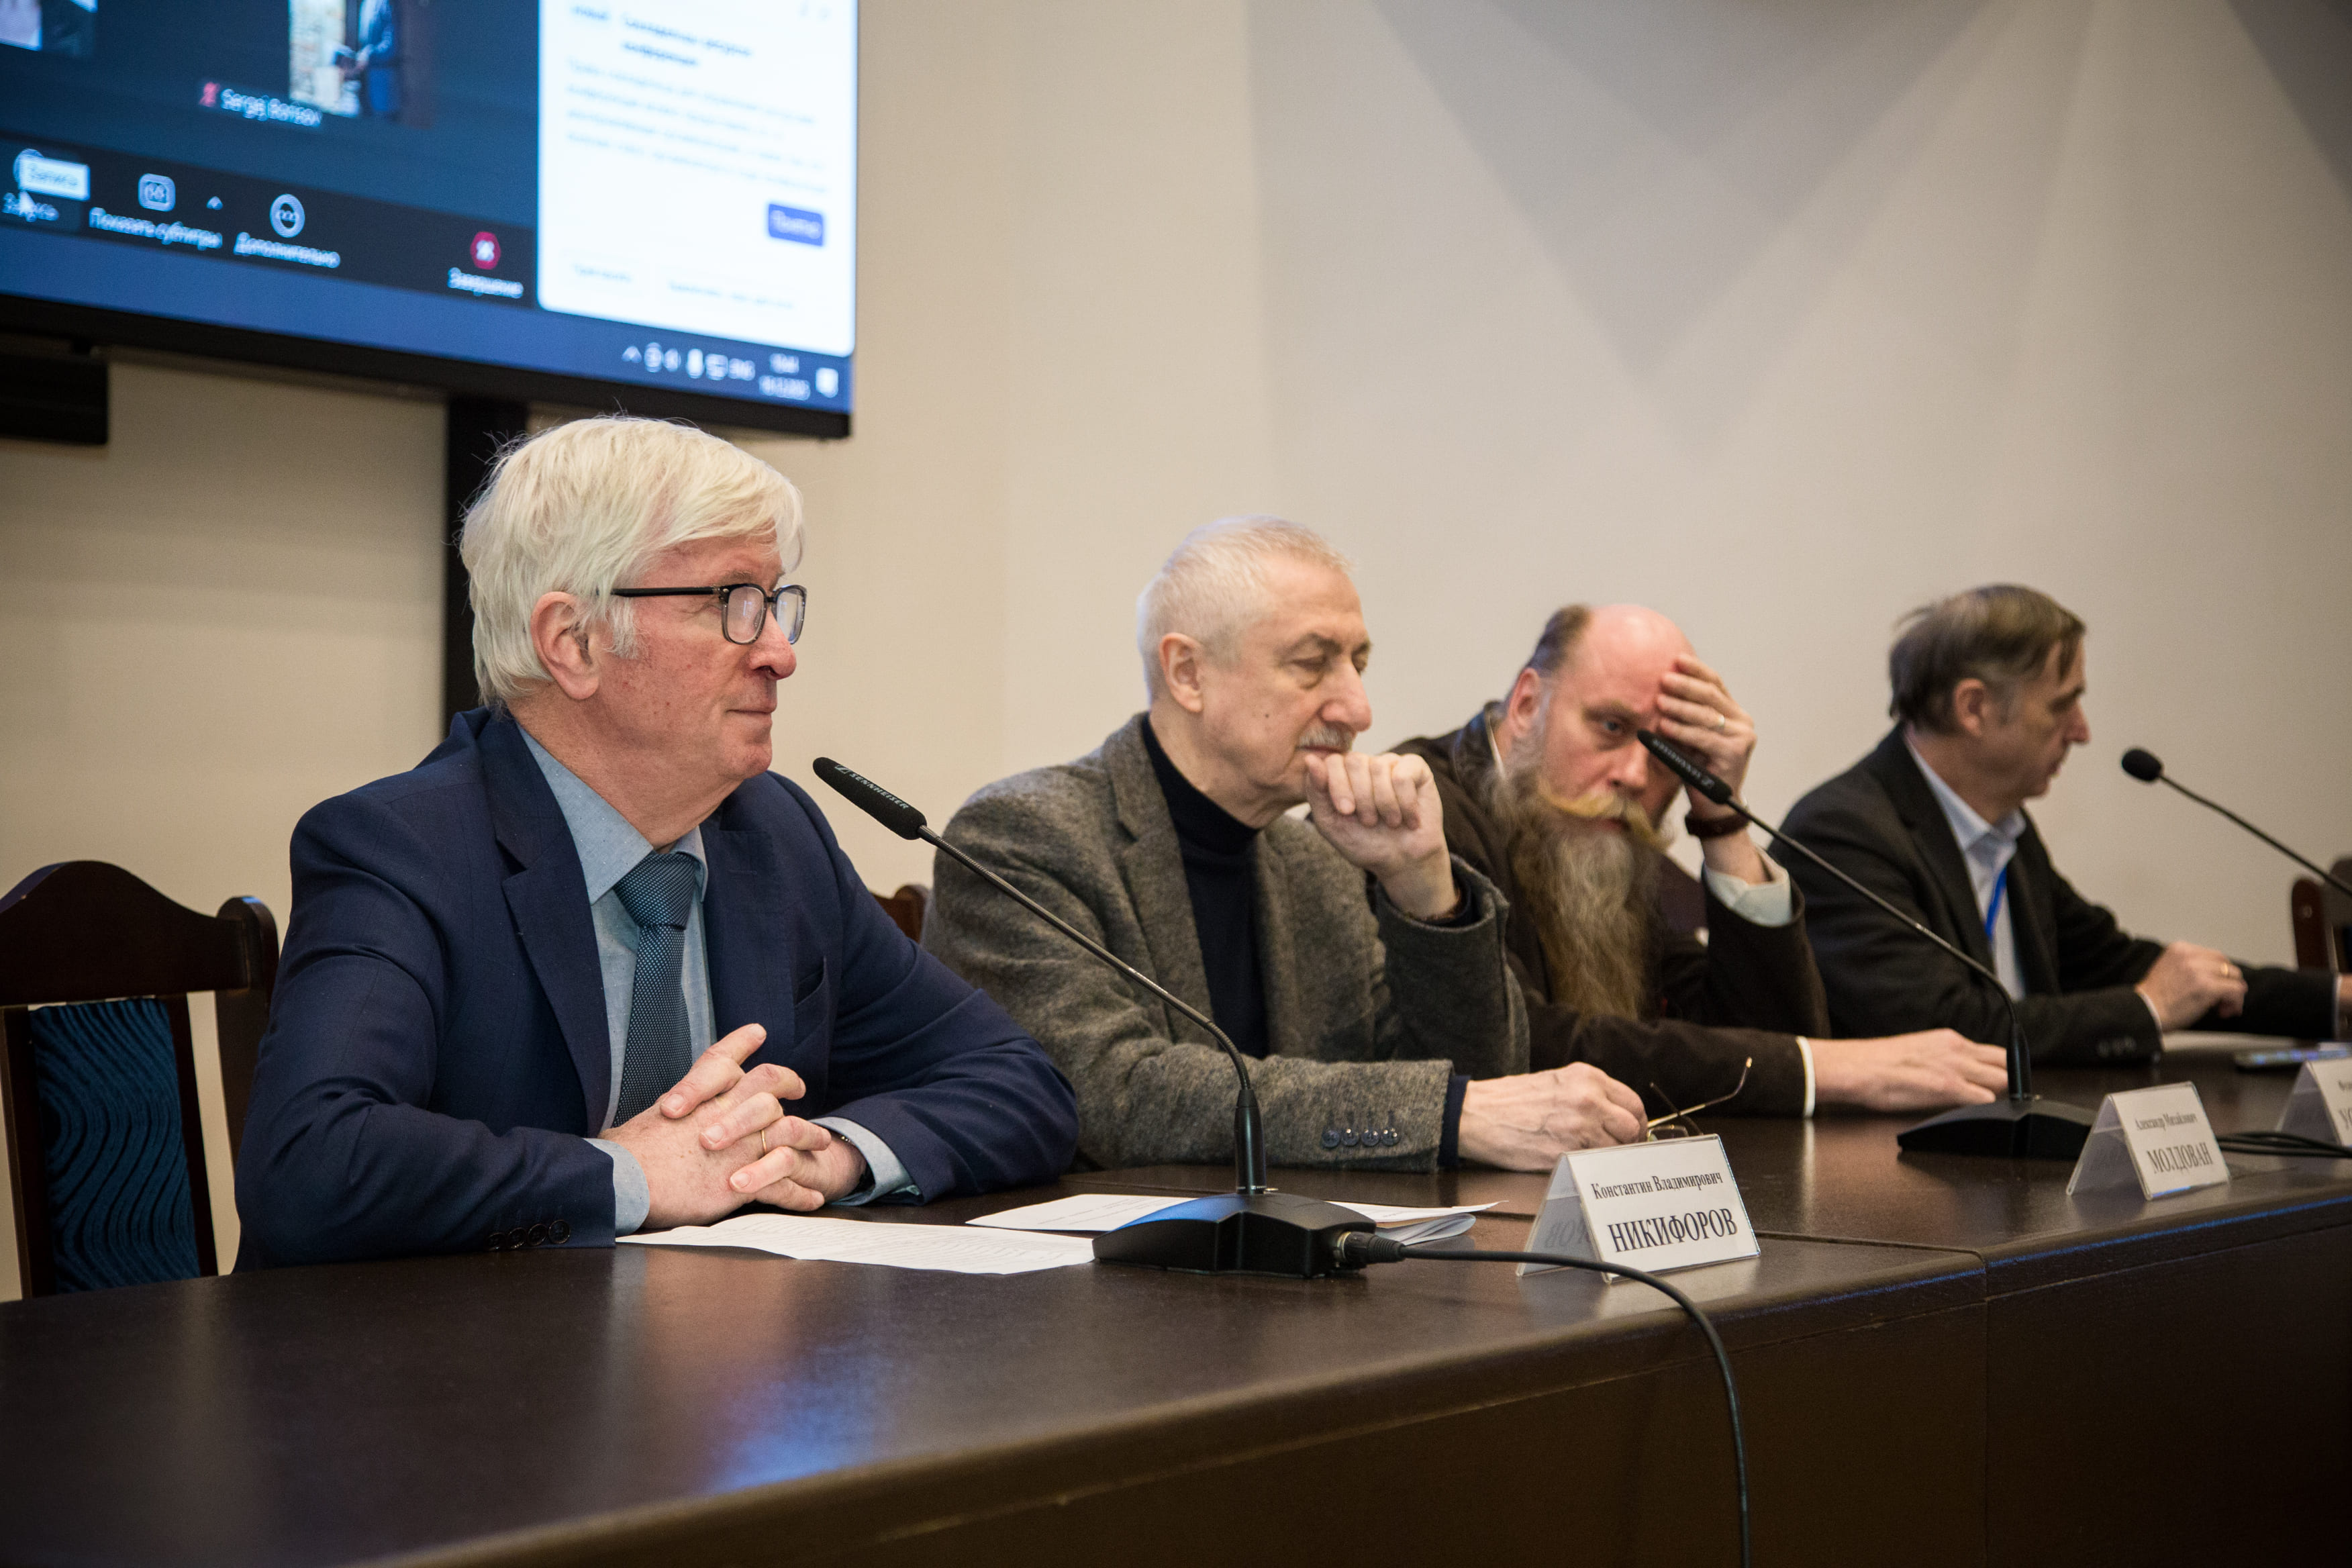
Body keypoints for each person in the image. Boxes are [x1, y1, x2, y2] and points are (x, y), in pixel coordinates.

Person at [236, 418, 1076, 1266]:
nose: (779, 653)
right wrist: (630, 1176)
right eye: (731, 603)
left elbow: (1020, 1081)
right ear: (573, 642)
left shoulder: (776, 834)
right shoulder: (403, 847)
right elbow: (311, 1162)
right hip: (460, 1344)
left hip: (730, 1335)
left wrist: (834, 1154)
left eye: (775, 602)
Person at [922, 518, 1648, 1174]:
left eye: (1358, 664)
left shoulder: (1315, 862)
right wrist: (1446, 1113)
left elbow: (1487, 1088)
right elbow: (1115, 1096)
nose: (1358, 709)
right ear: (1188, 673)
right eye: (1312, 663)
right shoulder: (1021, 836)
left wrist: (1427, 890)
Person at [1399, 605, 2011, 1119]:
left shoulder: (1601, 836)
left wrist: (1723, 819)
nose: (1635, 775)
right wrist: (1825, 1070)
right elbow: (1525, 1042)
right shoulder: (1423, 812)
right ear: (1528, 702)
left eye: (1667, 752)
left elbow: (1755, 1031)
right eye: (1611, 726)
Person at [1783, 584, 2351, 1061]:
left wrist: (2336, 998)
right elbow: (1943, 1031)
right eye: (2061, 705)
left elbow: (2110, 964)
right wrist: (2148, 1008)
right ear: (1974, 708)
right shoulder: (1842, 835)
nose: (2082, 731)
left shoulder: (2004, 829)